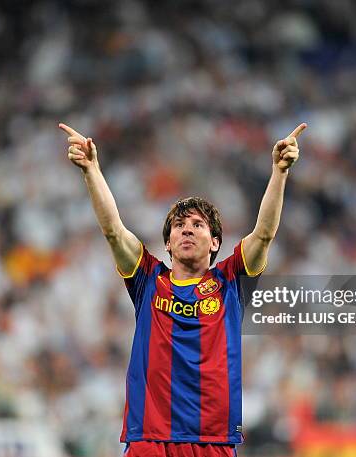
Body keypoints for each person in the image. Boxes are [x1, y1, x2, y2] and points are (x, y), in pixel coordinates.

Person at [58, 121, 306, 457]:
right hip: (150, 440)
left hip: (212, 441)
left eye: (197, 225)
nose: (187, 230)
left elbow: (263, 234)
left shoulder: (230, 282)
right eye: (179, 225)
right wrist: (91, 170)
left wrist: (280, 172)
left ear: (215, 242)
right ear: (169, 244)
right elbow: (114, 231)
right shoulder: (147, 279)